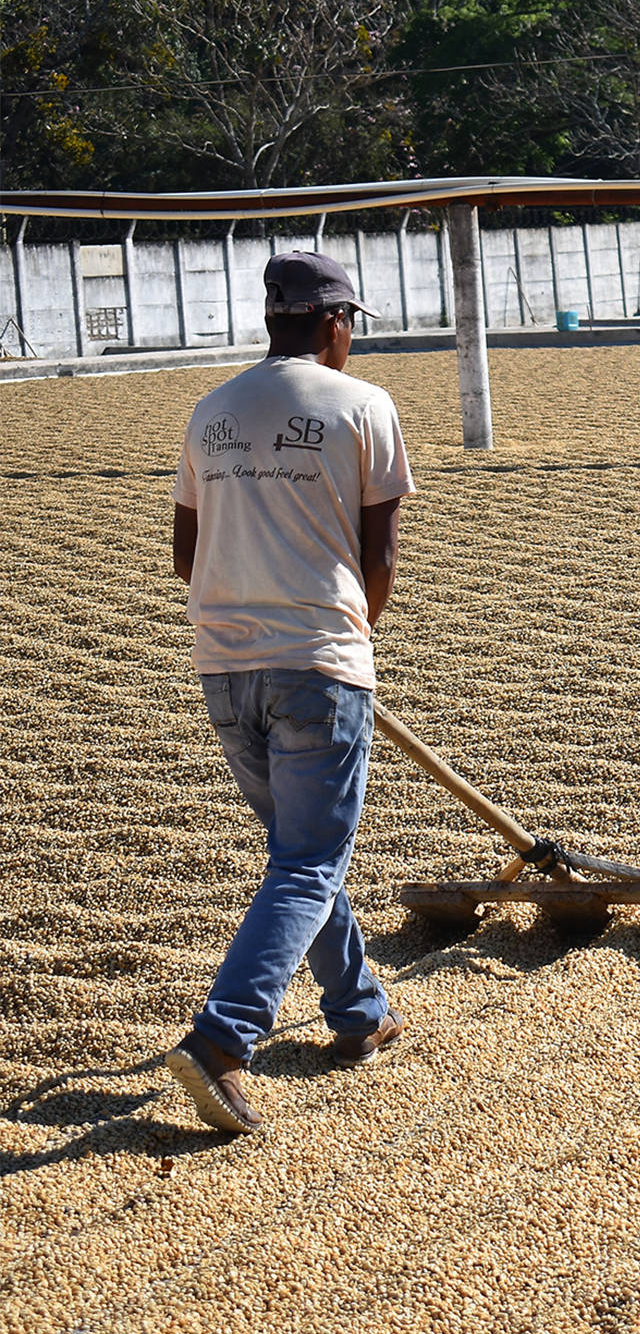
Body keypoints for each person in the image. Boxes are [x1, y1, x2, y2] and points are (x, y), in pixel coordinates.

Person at [165, 251, 414, 1134]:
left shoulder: (213, 411)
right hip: (318, 662)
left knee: (298, 857)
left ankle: (359, 1012)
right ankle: (222, 1042)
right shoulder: (363, 406)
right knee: (309, 862)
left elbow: (186, 554)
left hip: (223, 668)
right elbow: (379, 554)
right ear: (336, 321)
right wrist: (351, 640)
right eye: (352, 327)